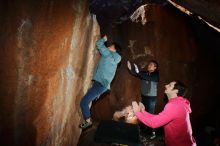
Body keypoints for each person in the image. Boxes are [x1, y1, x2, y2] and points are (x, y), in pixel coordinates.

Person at [132, 81, 197, 146]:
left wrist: (137, 112)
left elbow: (154, 123)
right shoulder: (179, 103)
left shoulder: (174, 106)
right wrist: (143, 112)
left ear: (176, 91)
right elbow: (159, 118)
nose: (166, 86)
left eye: (169, 85)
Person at [79, 35, 121, 130]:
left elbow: (99, 44)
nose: (108, 47)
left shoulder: (108, 55)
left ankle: (88, 121)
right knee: (88, 101)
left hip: (100, 85)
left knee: (83, 102)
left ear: (114, 50)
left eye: (110, 46)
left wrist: (104, 39)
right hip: (102, 85)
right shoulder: (114, 59)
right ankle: (87, 118)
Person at [127, 60, 159, 139]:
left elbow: (146, 77)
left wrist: (139, 72)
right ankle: (145, 129)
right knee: (143, 113)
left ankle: (153, 132)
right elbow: (136, 73)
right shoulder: (145, 73)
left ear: (155, 67)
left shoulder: (155, 75)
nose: (149, 65)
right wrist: (130, 69)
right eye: (149, 64)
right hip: (144, 96)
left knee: (151, 115)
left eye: (151, 65)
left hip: (151, 98)